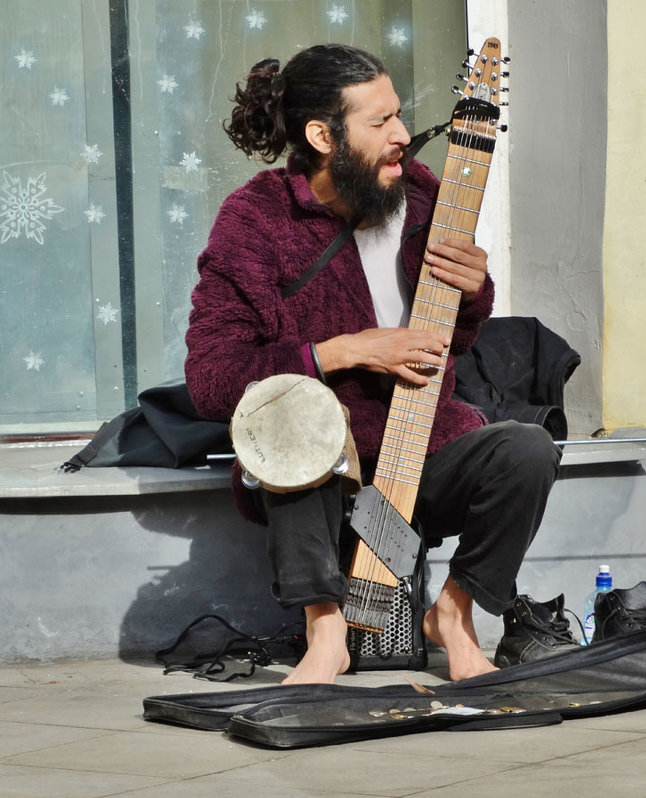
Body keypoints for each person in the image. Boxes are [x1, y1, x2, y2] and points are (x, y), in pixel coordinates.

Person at [184, 44, 561, 685]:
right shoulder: (255, 220)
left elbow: (454, 340)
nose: (403, 136)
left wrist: (474, 291)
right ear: (322, 136)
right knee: (296, 425)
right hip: (325, 470)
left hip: (422, 446)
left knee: (527, 449)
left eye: (400, 116)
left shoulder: (420, 195)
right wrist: (349, 350)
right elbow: (214, 380)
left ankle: (456, 613)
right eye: (380, 122)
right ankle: (325, 631)